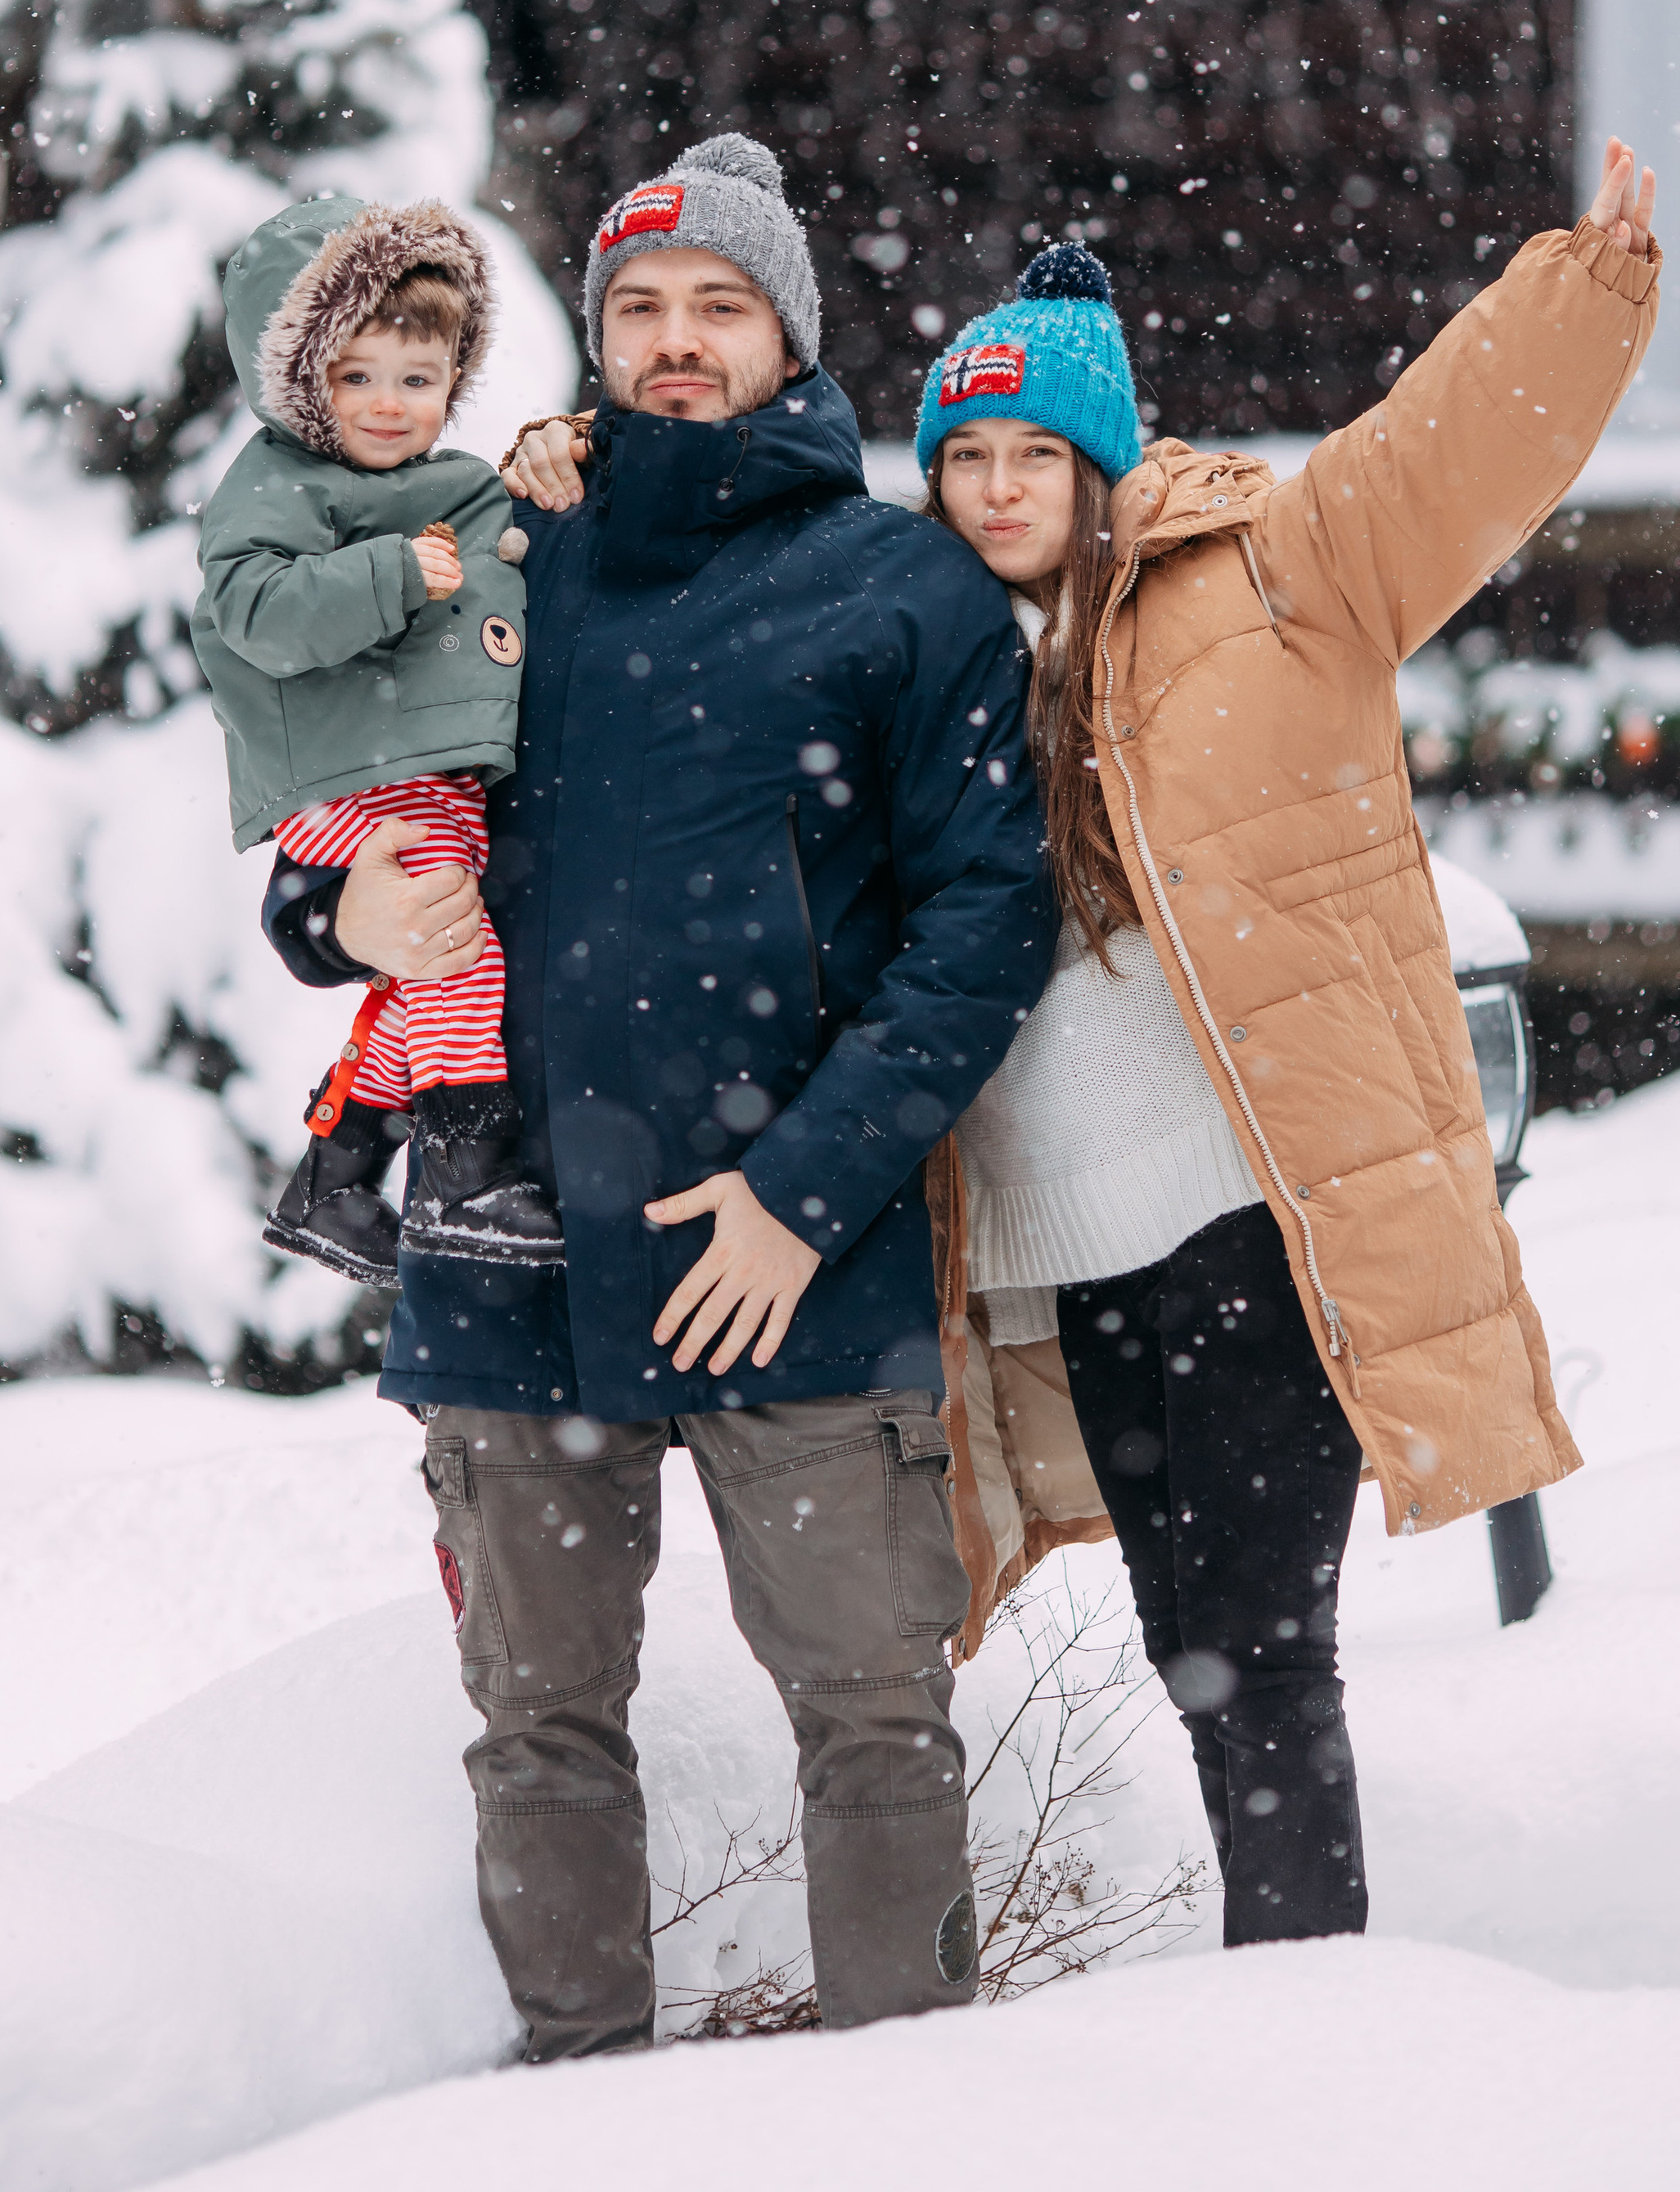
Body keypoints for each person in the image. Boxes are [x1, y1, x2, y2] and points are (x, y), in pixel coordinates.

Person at [259, 132, 1054, 2059]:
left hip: (790, 1252)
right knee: (537, 1728)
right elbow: (327, 816)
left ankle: (921, 2119)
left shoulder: (901, 586)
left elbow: (985, 923)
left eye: (719, 306)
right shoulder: (490, 561)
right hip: (510, 1232)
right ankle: (572, 2110)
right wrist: (332, 909)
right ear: (598, 334)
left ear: (790, 335)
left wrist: (802, 1192)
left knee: (873, 1718)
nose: (675, 340)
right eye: (639, 308)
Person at [899, 137, 1661, 1947]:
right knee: (1186, 1639)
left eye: (1033, 455)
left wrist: (1580, 294)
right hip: (1072, 1243)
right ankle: (1281, 1986)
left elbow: (1438, 456)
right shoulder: (927, 657)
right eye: (963, 459)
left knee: (1260, 1645)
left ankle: (1307, 2012)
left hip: (1252, 1211)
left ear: (1102, 464)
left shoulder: (1271, 577)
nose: (997, 491)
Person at [192, 194, 561, 1284]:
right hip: (349, 771)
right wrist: (389, 574)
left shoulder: (444, 482)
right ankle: (463, 1173)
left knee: (421, 972)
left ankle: (338, 1176)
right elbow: (255, 610)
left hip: (409, 768)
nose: (391, 406)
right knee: (457, 955)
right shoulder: (280, 482)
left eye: (419, 377)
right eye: (356, 377)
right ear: (301, 382)